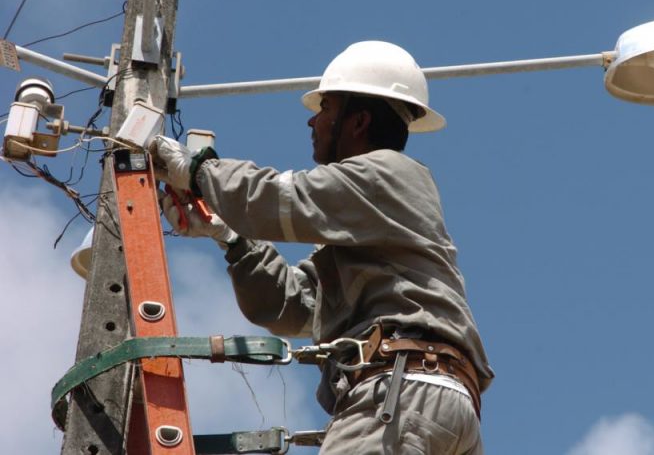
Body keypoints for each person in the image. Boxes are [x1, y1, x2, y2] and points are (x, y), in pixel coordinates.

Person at [151, 41, 494, 454]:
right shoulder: (364, 218)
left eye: (326, 109)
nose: (313, 123)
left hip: (399, 391)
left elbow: (279, 197)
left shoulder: (387, 174)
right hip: (437, 400)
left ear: (359, 120)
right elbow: (293, 307)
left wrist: (198, 171)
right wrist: (230, 236)